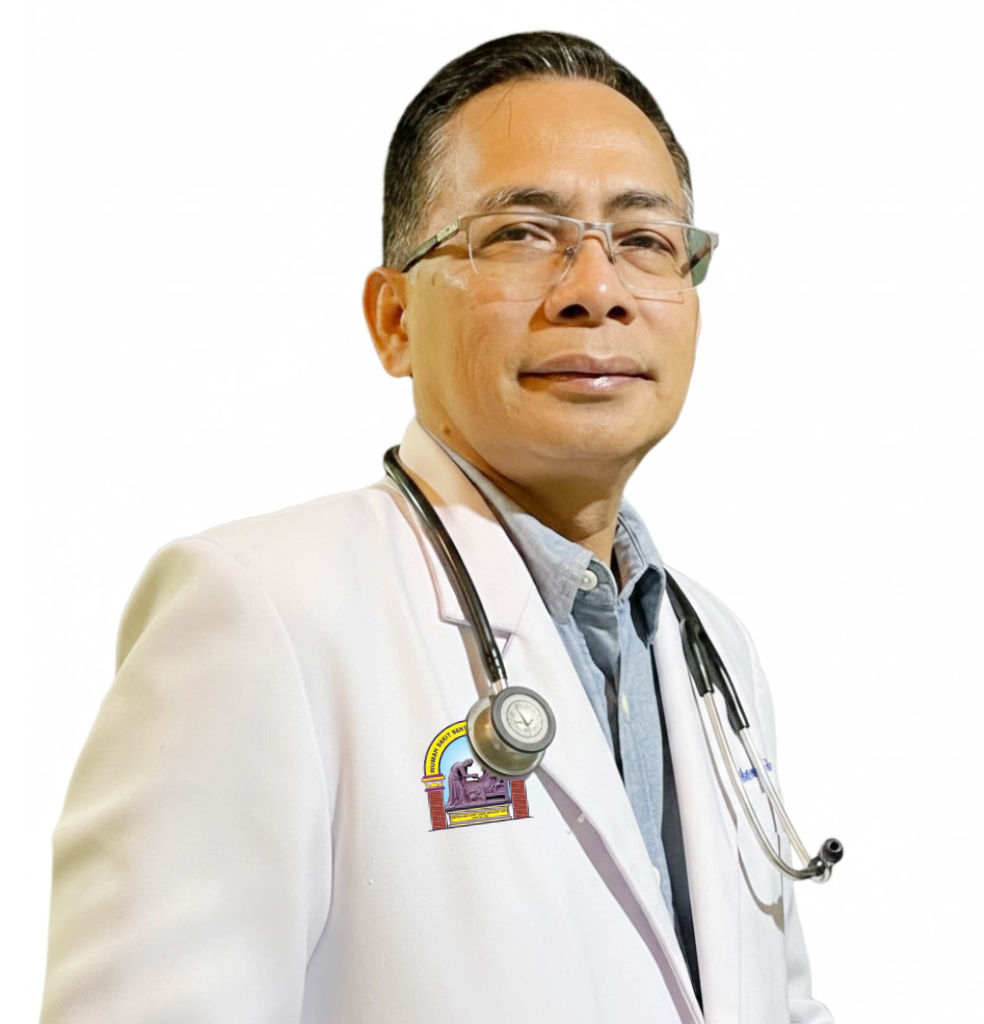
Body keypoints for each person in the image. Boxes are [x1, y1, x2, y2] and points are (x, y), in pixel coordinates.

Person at [39, 31, 833, 1024]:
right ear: (394, 320)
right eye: (522, 233)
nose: (597, 290)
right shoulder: (262, 614)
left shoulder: (712, 647)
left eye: (643, 240)